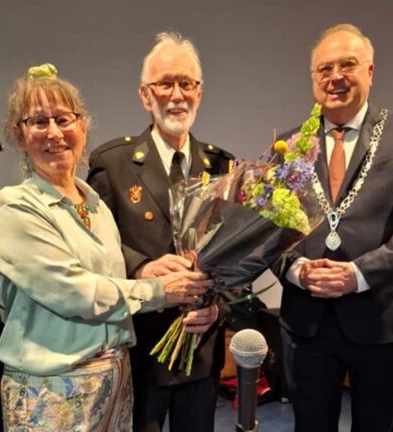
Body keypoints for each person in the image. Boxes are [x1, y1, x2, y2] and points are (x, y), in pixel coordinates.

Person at [0, 63, 217, 431]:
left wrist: (146, 268)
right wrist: (157, 290)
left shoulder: (93, 202)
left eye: (63, 119)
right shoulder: (16, 208)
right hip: (53, 389)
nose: (54, 133)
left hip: (115, 382)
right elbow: (74, 291)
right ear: (19, 136)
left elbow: (108, 272)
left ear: (83, 127)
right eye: (38, 122)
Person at [277, 24, 393, 431]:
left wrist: (359, 274)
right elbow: (269, 231)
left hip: (379, 320)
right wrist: (296, 270)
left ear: (370, 71)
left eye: (347, 65)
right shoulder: (288, 145)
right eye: (324, 69)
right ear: (313, 79)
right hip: (306, 322)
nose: (335, 77)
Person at [87, 32, 234, 432]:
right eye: (165, 83)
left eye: (186, 84)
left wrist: (220, 307)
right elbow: (95, 247)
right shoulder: (112, 164)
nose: (176, 95)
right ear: (144, 94)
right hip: (140, 346)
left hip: (200, 347)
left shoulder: (222, 167)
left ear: (199, 93)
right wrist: (140, 268)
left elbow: (240, 256)